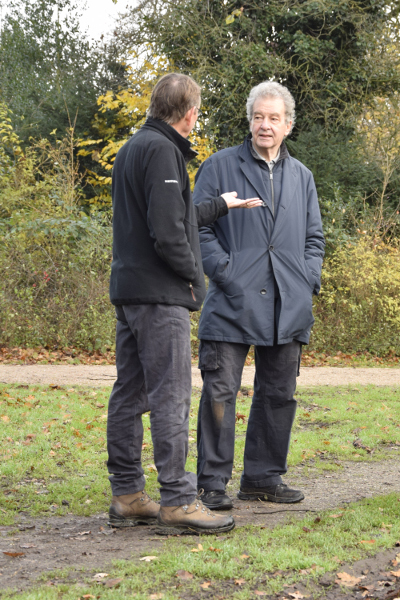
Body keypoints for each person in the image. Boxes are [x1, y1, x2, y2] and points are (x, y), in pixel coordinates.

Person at [106, 73, 261, 535]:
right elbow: (169, 233)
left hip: (130, 291)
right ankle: (177, 500)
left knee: (130, 394)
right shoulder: (163, 151)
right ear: (189, 114)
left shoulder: (134, 147)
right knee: (172, 397)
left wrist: (219, 205)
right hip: (159, 296)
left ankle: (128, 495)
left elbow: (171, 213)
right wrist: (194, 280)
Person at [193, 80, 325, 511]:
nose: (264, 125)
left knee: (278, 393)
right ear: (249, 121)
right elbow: (198, 227)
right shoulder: (218, 167)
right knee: (220, 391)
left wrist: (307, 279)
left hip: (288, 304)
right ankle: (212, 483)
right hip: (232, 300)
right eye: (258, 117)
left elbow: (313, 238)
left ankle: (263, 478)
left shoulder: (302, 176)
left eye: (273, 118)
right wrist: (225, 271)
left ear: (288, 125)